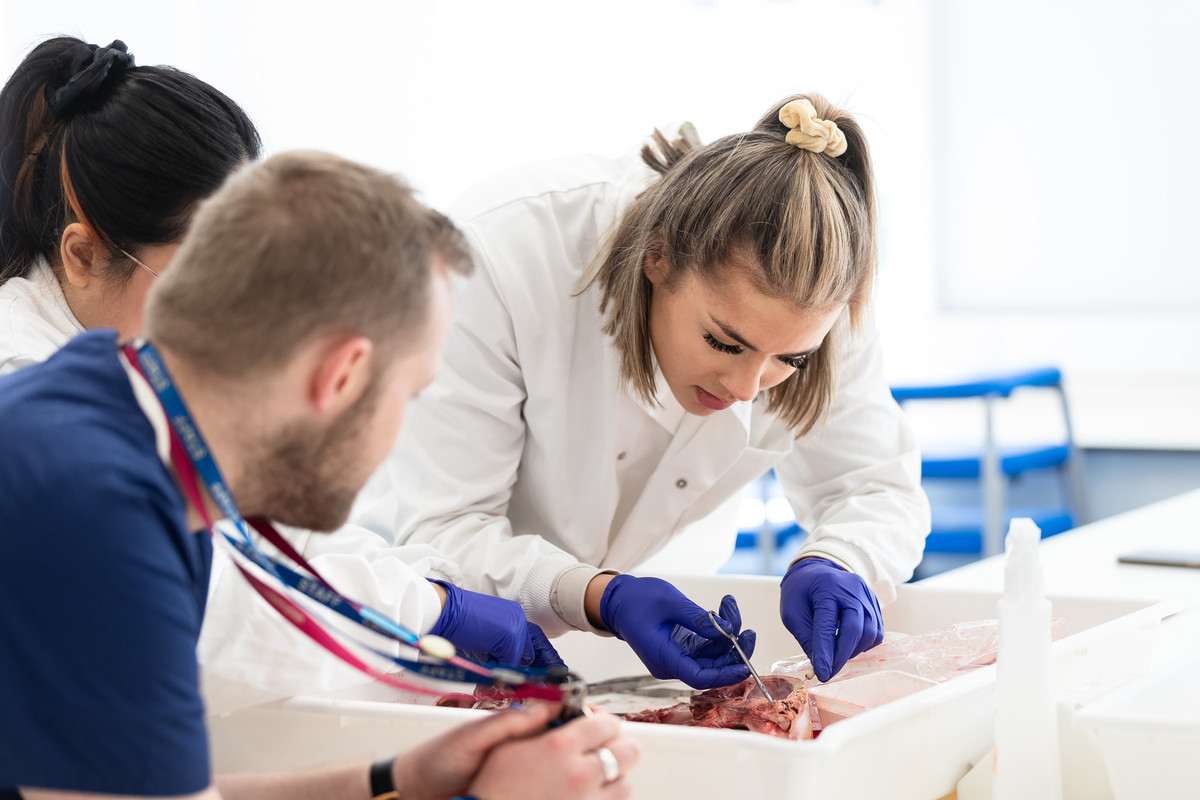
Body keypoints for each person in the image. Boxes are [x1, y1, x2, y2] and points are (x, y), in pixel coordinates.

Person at [0, 149, 638, 799]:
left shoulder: (113, 422)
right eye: (409, 395)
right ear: (341, 377)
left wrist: (399, 781)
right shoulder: (96, 514)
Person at [0, 36, 558, 710]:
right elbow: (214, 607)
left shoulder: (128, 368)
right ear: (84, 256)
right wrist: (429, 616)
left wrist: (438, 594)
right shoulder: (30, 391)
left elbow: (259, 522)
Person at [366, 94, 932, 684]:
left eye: (789, 359)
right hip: (416, 630)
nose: (745, 388)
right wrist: (598, 596)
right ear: (659, 255)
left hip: (653, 639)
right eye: (724, 343)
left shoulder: (820, 296)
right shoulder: (499, 256)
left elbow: (872, 487)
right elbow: (445, 529)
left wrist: (842, 560)